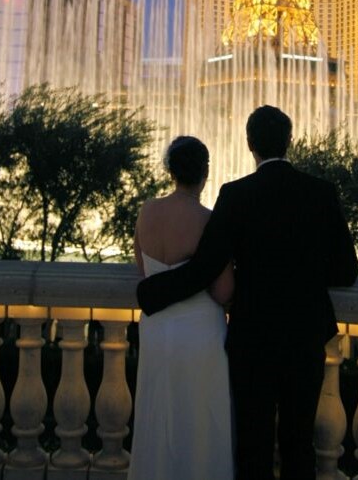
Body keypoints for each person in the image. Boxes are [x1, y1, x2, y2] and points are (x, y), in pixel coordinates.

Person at [138, 105, 358, 480]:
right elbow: (346, 270)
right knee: (298, 444)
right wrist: (302, 274)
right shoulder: (321, 193)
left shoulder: (236, 195)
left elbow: (206, 267)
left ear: (249, 144)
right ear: (290, 142)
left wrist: (152, 292)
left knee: (253, 446)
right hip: (305, 337)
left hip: (252, 340)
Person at [129, 136, 234, 480]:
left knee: (157, 418)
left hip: (157, 330)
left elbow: (146, 275)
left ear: (170, 171)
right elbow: (222, 291)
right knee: (201, 423)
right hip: (200, 334)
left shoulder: (147, 212)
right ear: (205, 172)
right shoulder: (209, 220)